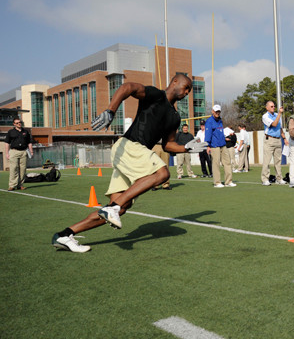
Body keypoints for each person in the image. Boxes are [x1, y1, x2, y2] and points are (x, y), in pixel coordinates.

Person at [52, 73, 197, 253]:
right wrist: (111, 110)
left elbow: (168, 145)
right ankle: (113, 208)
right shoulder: (156, 95)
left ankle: (64, 235)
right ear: (174, 82)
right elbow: (127, 87)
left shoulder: (175, 117)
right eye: (186, 87)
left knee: (120, 208)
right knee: (162, 173)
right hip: (129, 146)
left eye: (190, 90)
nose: (187, 92)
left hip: (132, 155)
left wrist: (187, 148)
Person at [205, 105, 236, 188]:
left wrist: (224, 138)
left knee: (227, 162)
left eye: (218, 111)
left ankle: (228, 181)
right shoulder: (209, 121)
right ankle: (217, 182)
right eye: (216, 111)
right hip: (214, 145)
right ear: (212, 111)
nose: (217, 113)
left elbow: (220, 132)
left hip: (223, 144)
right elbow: (208, 134)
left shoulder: (220, 120)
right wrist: (208, 145)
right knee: (216, 164)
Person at [261, 101, 288, 186]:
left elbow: (280, 128)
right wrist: (280, 113)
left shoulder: (277, 115)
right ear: (267, 107)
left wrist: (284, 138)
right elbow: (274, 124)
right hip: (269, 140)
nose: (273, 107)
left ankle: (279, 178)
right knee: (267, 160)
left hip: (278, 140)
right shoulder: (265, 116)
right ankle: (265, 179)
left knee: (278, 161)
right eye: (271, 106)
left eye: (274, 106)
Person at [4, 117, 33, 191]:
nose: (19, 124)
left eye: (20, 122)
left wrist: (31, 151)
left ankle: (20, 185)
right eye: (17, 123)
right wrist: (7, 153)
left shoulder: (25, 132)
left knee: (23, 169)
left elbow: (29, 142)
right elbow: (7, 143)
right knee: (14, 168)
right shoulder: (11, 132)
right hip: (14, 151)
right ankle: (12, 185)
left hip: (23, 152)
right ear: (14, 124)